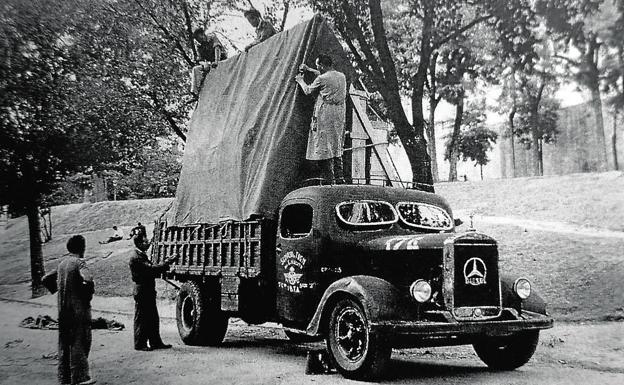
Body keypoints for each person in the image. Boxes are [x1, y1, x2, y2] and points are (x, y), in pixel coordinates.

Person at [295, 54, 347, 183]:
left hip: (326, 113)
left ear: (322, 66)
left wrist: (300, 80)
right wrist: (310, 69)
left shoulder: (322, 78)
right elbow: (323, 75)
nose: (317, 67)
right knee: (336, 144)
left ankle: (329, 180)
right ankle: (340, 179)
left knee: (324, 146)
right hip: (339, 113)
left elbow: (307, 91)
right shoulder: (341, 76)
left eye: (318, 65)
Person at [57, 235, 95, 385]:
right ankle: (80, 377)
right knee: (80, 341)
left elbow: (46, 280)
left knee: (64, 343)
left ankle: (64, 377)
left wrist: (64, 288)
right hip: (78, 311)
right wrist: (87, 295)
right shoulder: (79, 263)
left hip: (63, 310)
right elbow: (88, 279)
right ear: (82, 248)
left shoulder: (62, 264)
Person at [129, 235, 178, 351]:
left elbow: (151, 269)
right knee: (142, 318)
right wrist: (167, 262)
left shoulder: (140, 255)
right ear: (140, 243)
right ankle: (140, 344)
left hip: (146, 290)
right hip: (143, 290)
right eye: (146, 241)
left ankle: (155, 342)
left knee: (152, 317)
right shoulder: (136, 257)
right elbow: (151, 269)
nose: (148, 243)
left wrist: (165, 263)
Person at [191, 28, 228, 94]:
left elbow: (217, 48)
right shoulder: (200, 46)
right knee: (195, 69)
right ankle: (196, 92)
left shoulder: (212, 38)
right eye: (196, 39)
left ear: (203, 34)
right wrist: (204, 63)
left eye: (199, 38)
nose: (198, 40)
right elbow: (199, 60)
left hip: (221, 60)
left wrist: (217, 61)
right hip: (212, 64)